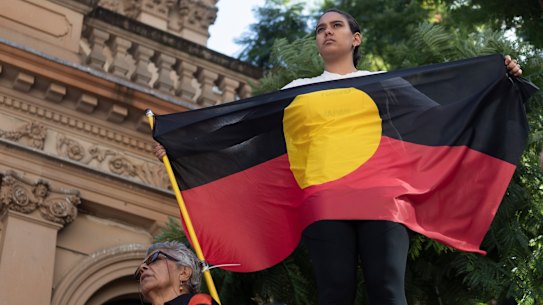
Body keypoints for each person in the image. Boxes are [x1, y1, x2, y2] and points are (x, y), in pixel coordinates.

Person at [153, 8, 522, 305]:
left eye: (336, 25)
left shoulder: (379, 80)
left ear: (355, 38)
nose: (327, 32)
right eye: (320, 29)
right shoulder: (295, 91)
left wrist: (498, 80)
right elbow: (238, 130)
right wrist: (179, 145)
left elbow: (439, 116)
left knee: (388, 290)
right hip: (324, 198)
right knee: (334, 293)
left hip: (381, 197)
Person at [135, 241, 219, 305]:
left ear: (184, 273)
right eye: (138, 271)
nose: (142, 268)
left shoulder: (200, 302)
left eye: (154, 259)